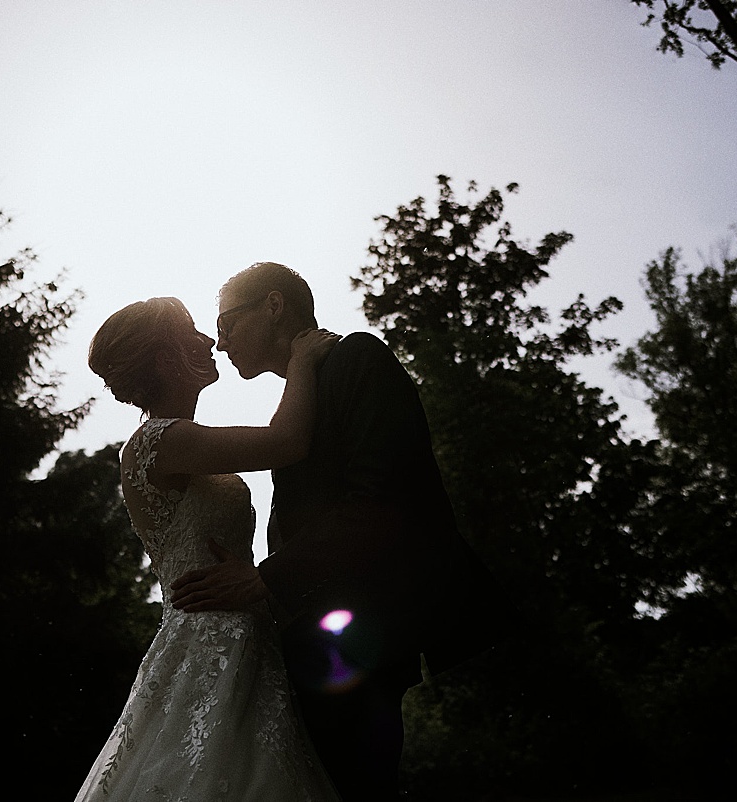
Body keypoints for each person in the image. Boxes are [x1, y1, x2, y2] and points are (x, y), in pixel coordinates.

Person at [171, 262, 523, 800]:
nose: (219, 344)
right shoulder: (302, 396)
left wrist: (267, 580)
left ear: (272, 305)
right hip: (311, 635)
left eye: (225, 325)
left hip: (361, 637)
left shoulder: (358, 358)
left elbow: (381, 501)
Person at [76, 296, 341, 802]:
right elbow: (286, 442)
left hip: (243, 630)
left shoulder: (179, 441)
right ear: (165, 358)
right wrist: (304, 361)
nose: (209, 341)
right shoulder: (162, 441)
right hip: (211, 636)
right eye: (193, 332)